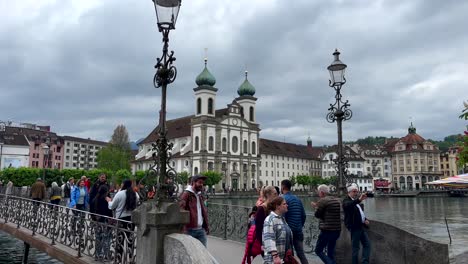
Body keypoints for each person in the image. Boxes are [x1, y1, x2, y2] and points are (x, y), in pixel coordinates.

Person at [107, 179, 139, 258]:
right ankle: (131, 256)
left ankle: (119, 257)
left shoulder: (120, 194)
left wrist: (109, 201)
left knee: (120, 238)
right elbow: (137, 203)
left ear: (123, 184)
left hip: (121, 219)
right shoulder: (135, 194)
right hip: (131, 219)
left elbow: (112, 206)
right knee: (130, 238)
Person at [311, 184, 342, 264]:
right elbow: (330, 212)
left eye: (318, 192)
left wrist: (316, 207)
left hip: (327, 230)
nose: (318, 194)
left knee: (318, 250)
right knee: (330, 251)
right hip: (337, 230)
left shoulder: (323, 201)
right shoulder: (336, 200)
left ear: (322, 192)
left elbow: (317, 215)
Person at [281, 179, 308, 264]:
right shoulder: (297, 199)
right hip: (298, 230)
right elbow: (303, 215)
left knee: (288, 254)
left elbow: (282, 217)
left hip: (288, 232)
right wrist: (299, 225)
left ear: (283, 187)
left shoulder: (283, 199)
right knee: (301, 254)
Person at [178, 175, 209, 247]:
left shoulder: (199, 195)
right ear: (193, 182)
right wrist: (184, 228)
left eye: (202, 183)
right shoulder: (186, 194)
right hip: (189, 230)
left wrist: (206, 226)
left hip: (201, 230)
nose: (201, 185)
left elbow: (203, 212)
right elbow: (181, 210)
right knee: (190, 254)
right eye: (199, 182)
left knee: (204, 253)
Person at [343, 184, 371, 264]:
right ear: (349, 192)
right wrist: (359, 200)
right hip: (354, 227)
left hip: (361, 226)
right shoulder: (346, 200)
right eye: (354, 191)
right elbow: (347, 205)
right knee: (355, 248)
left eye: (357, 191)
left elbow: (359, 213)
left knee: (367, 245)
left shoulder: (354, 201)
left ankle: (364, 262)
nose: (356, 193)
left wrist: (365, 219)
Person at [262, 196, 294, 264]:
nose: (287, 205)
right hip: (274, 260)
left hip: (283, 258)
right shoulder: (270, 220)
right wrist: (275, 256)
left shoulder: (281, 218)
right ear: (277, 206)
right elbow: (269, 238)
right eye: (284, 204)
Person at [92, 185, 113, 261]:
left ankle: (97, 255)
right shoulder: (106, 200)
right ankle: (106, 255)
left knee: (98, 238)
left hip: (97, 221)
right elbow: (110, 210)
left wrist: (94, 218)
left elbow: (91, 210)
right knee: (106, 238)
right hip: (105, 221)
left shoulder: (95, 199)